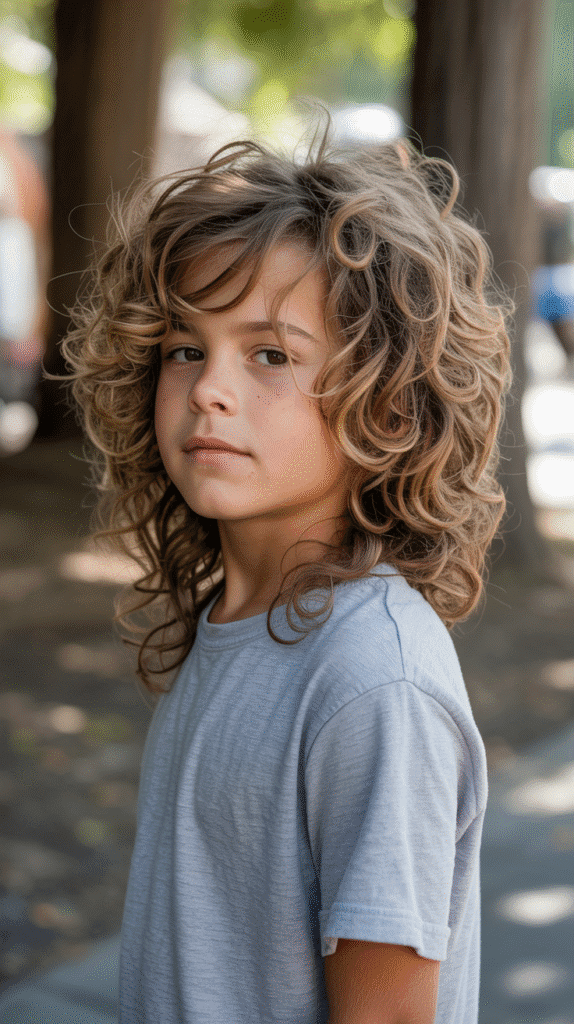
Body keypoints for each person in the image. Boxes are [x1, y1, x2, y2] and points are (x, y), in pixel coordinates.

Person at [57, 128, 511, 1024]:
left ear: (386, 404)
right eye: (186, 348)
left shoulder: (374, 682)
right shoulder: (234, 623)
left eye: (270, 354)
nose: (209, 388)